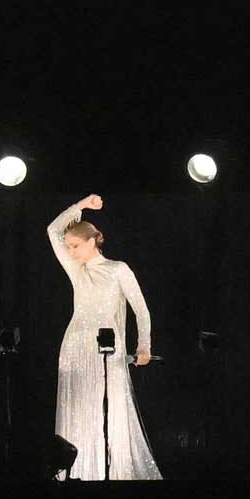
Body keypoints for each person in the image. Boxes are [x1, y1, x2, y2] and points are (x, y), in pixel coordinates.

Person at [46, 194, 162, 480]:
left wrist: (144, 346)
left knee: (110, 410)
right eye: (68, 246)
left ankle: (111, 474)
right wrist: (80, 206)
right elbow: (52, 230)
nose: (70, 251)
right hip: (76, 347)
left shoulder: (118, 269)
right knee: (79, 411)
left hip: (108, 348)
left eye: (75, 246)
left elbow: (141, 309)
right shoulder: (76, 270)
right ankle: (77, 473)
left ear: (91, 241)